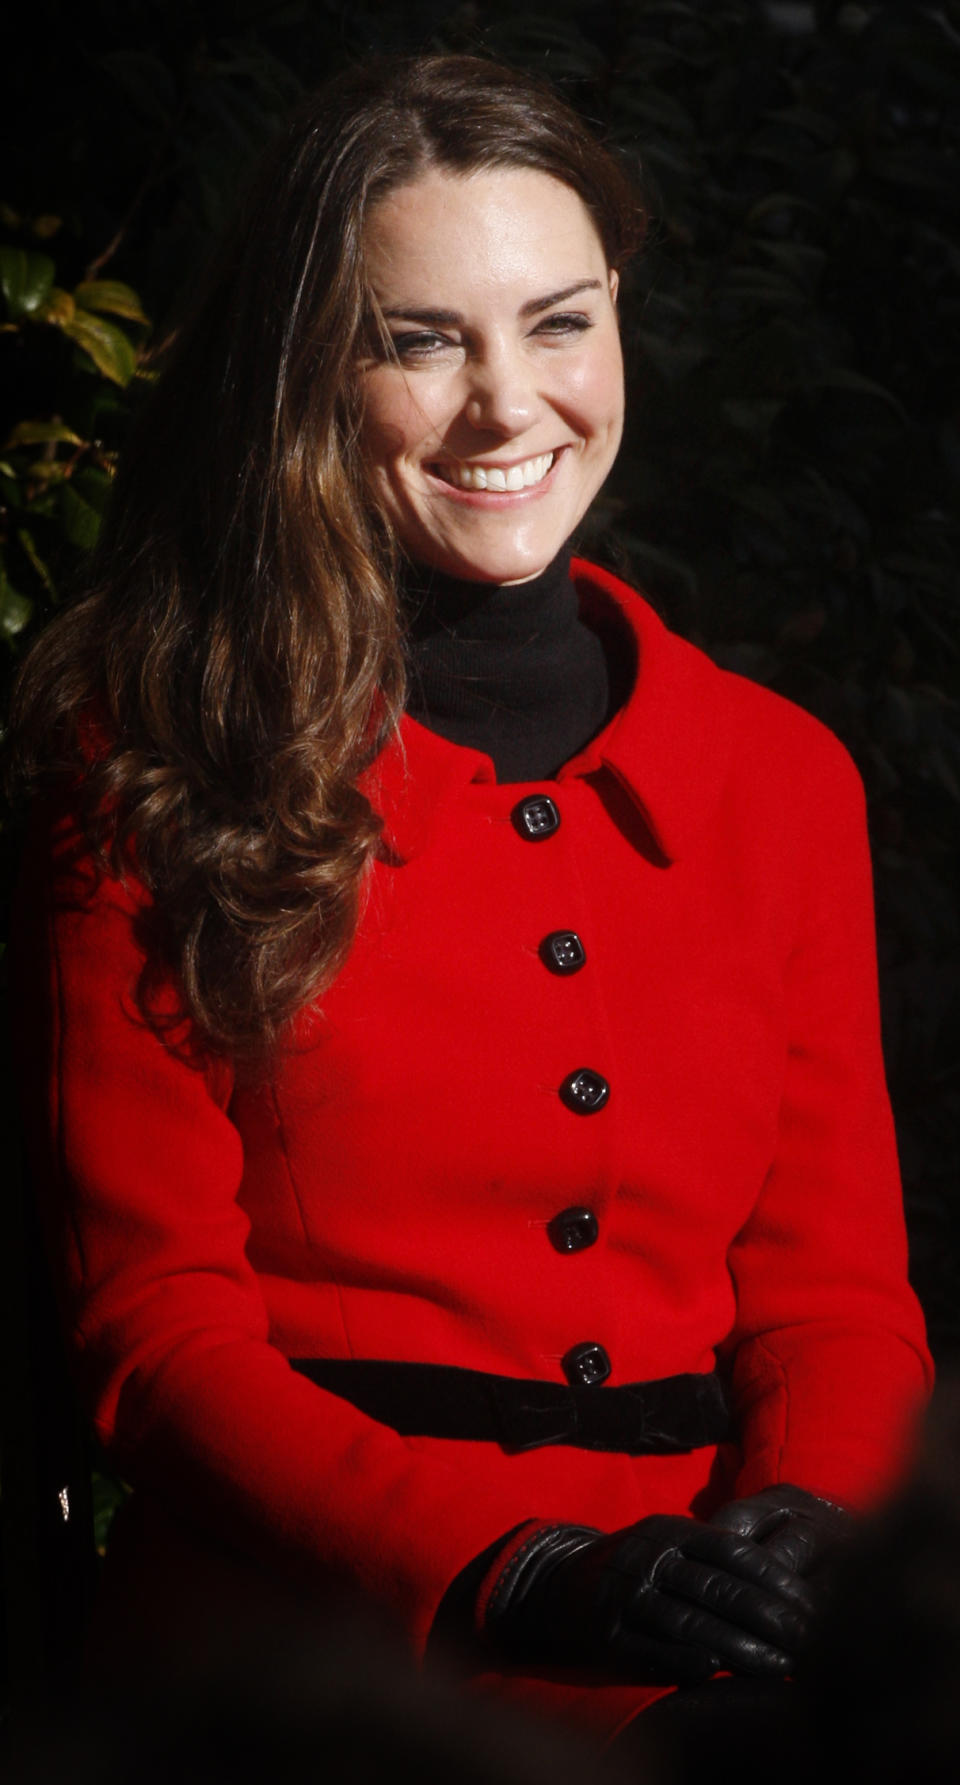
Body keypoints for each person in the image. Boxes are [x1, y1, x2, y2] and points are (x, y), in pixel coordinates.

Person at [7, 52, 933, 1748]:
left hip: (719, 1676)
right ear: (307, 376)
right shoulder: (142, 751)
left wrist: (805, 1537)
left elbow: (835, 1301)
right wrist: (512, 1570)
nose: (511, 404)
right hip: (300, 1668)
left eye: (558, 322)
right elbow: (150, 1327)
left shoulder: (784, 778)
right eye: (420, 341)